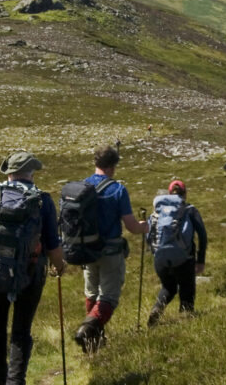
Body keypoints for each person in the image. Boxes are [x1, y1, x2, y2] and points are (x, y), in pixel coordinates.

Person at [0, 151, 65, 385]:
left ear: (8, 172)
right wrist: (60, 266)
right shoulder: (42, 200)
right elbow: (52, 244)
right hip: (30, 272)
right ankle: (15, 381)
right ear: (31, 172)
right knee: (21, 331)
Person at [74, 144, 148, 350]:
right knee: (108, 297)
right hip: (110, 252)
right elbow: (131, 226)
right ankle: (86, 331)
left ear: (95, 162)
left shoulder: (82, 187)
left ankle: (94, 341)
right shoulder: (118, 189)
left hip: (86, 251)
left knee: (92, 294)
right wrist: (144, 227)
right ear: (113, 166)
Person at [146, 179, 207, 326]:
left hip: (160, 258)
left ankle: (157, 309)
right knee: (187, 288)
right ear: (185, 193)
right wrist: (201, 260)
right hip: (184, 258)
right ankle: (185, 321)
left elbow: (149, 235)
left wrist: (154, 253)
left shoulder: (157, 211)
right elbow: (202, 236)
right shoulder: (190, 210)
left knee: (168, 287)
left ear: (169, 193)